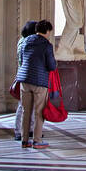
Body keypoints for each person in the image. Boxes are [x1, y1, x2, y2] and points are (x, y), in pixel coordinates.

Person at [16, 19, 56, 149]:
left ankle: (24, 140)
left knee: (26, 111)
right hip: (39, 80)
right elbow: (51, 65)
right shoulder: (46, 45)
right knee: (39, 111)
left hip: (24, 80)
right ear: (48, 31)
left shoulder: (25, 41)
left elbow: (22, 59)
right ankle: (37, 140)